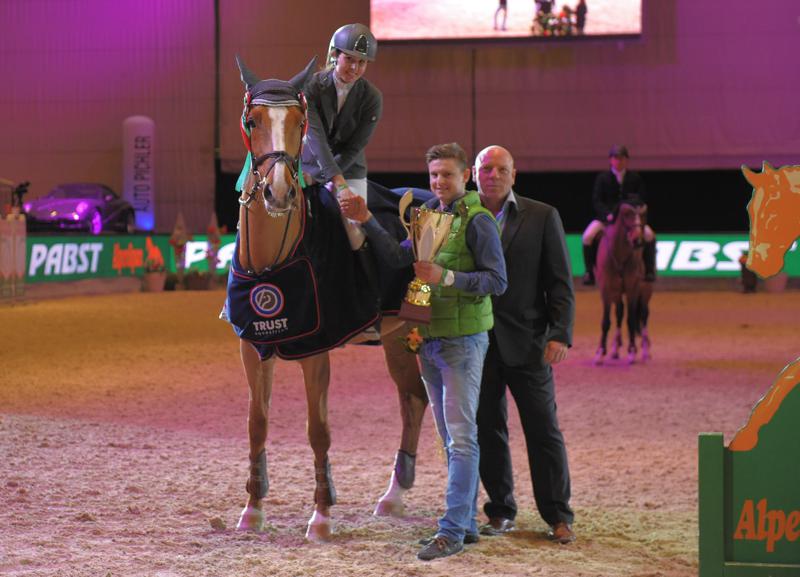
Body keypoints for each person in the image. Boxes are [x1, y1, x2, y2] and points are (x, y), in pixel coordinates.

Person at [340, 142, 507, 561]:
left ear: (465, 175)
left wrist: (447, 276)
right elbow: (402, 258)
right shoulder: (430, 214)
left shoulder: (478, 220)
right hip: (429, 339)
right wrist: (367, 223)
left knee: (463, 437)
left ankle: (450, 530)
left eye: (447, 175)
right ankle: (465, 524)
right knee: (451, 437)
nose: (439, 182)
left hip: (463, 342)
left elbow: (497, 281)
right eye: (433, 175)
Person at [471, 145, 577, 544]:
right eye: (486, 168)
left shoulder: (543, 216)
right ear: (473, 174)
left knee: (544, 430)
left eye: (501, 169)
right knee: (487, 429)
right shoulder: (461, 215)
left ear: (514, 175)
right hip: (477, 345)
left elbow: (560, 283)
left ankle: (558, 515)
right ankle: (500, 512)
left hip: (529, 343)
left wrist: (560, 333)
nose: (493, 175)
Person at [302, 23, 381, 252]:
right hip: (309, 167)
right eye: (349, 59)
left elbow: (355, 147)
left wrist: (338, 182)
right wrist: (327, 178)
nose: (355, 68)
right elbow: (315, 138)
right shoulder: (312, 87)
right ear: (335, 55)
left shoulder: (372, 97)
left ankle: (362, 284)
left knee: (356, 234)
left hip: (350, 168)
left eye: (362, 62)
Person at [582, 144, 657, 285]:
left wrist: (633, 212)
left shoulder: (635, 178)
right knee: (587, 236)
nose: (618, 161)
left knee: (649, 235)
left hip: (630, 220)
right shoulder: (602, 178)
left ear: (626, 160)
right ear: (610, 160)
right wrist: (608, 214)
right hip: (607, 219)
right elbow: (597, 201)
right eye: (615, 158)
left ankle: (649, 270)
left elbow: (640, 198)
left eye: (622, 158)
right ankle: (589, 272)